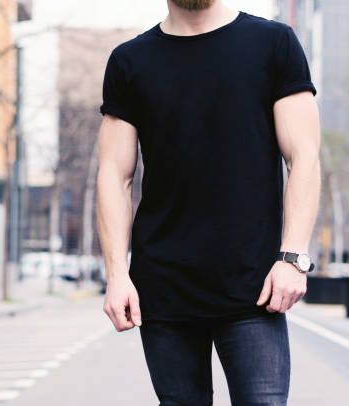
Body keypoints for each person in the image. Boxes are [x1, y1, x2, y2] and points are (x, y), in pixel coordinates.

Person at [96, 0, 321, 404]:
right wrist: (116, 274)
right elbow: (115, 175)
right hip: (164, 288)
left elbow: (303, 157)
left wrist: (292, 259)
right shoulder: (130, 61)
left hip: (255, 287)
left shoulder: (273, 43)